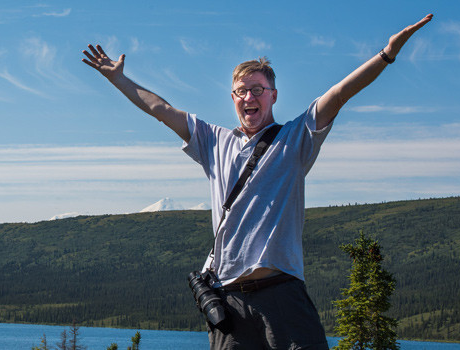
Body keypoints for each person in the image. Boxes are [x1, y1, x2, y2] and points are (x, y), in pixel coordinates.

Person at [82, 14, 432, 349]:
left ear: (273, 95)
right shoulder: (214, 141)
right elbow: (161, 109)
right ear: (233, 98)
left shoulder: (296, 138)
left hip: (282, 295)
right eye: (241, 91)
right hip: (228, 301)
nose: (249, 97)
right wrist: (118, 79)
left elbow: (340, 94)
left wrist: (387, 54)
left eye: (258, 89)